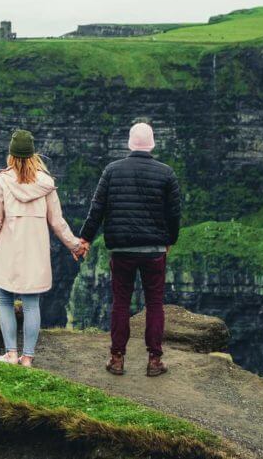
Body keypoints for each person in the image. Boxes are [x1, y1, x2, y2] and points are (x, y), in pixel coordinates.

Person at [78, 122, 181, 377]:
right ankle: (154, 360)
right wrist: (170, 240)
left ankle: (117, 359)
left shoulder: (112, 171)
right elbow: (174, 213)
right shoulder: (166, 173)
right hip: (154, 249)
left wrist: (85, 239)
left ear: (129, 144)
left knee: (121, 303)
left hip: (122, 250)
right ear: (153, 145)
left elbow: (97, 209)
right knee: (155, 303)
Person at [0, 130, 82, 367]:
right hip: (35, 256)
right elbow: (57, 222)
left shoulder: (1, 181)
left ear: (11, 155)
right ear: (33, 154)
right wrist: (75, 245)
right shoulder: (46, 184)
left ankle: (11, 354)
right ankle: (28, 358)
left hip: (6, 254)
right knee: (31, 304)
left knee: (5, 300)